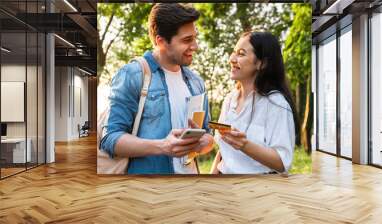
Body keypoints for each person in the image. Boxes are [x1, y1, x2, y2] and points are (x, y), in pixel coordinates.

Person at [100, 3, 214, 174]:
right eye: (187, 40)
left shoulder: (196, 82)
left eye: (194, 37)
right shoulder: (132, 75)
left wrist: (207, 142)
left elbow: (206, 133)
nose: (195, 46)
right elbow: (110, 139)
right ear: (160, 41)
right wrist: (162, 147)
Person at [211, 31, 298, 174]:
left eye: (241, 53)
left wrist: (244, 145)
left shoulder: (276, 104)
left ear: (262, 63)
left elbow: (282, 163)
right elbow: (223, 154)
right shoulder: (229, 100)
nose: (232, 59)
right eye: (234, 52)